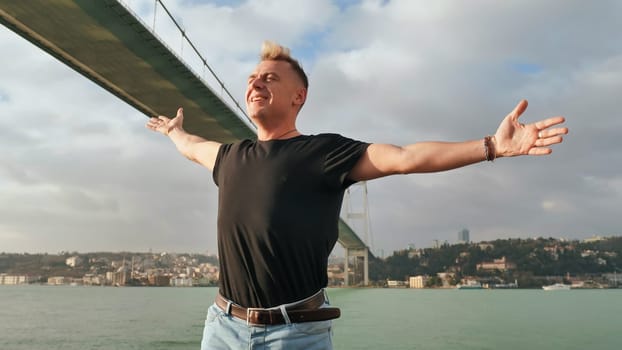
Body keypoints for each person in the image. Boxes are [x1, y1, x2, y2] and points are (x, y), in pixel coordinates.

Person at [146, 41, 568, 350]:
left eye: (270, 77)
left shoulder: (325, 151)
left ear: (299, 97)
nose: (256, 82)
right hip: (222, 328)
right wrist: (174, 131)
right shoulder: (229, 156)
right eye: (252, 78)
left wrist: (493, 146)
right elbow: (191, 147)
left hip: (296, 335)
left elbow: (405, 157)